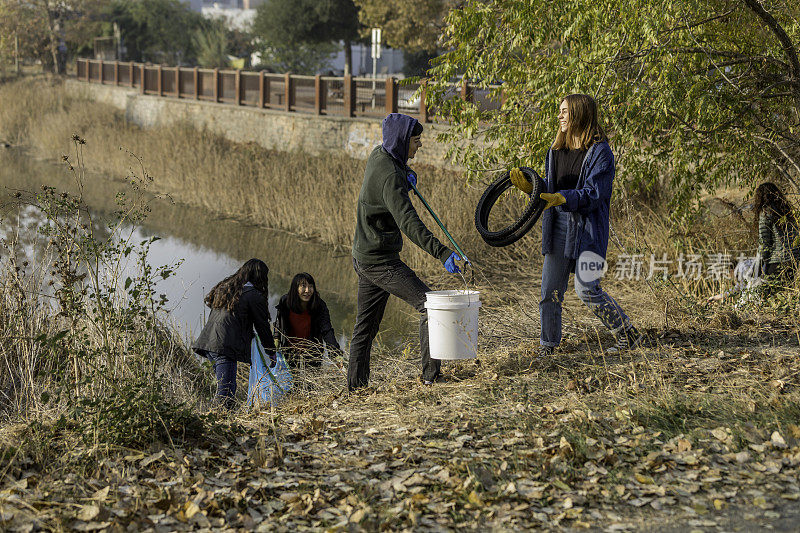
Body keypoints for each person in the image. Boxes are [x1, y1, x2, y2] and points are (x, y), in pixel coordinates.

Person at [510, 94, 642, 356]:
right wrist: (533, 190)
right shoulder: (555, 151)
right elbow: (551, 191)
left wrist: (563, 197)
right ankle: (548, 346)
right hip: (557, 225)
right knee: (550, 292)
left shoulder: (600, 152)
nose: (559, 116)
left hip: (588, 230)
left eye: (565, 111)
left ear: (580, 114)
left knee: (587, 289)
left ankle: (627, 334)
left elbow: (594, 194)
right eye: (559, 111)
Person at [348, 113, 464, 390]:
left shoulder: (380, 155)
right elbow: (409, 223)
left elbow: (390, 171)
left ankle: (354, 390)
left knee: (365, 330)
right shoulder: (390, 177)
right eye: (416, 140)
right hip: (380, 261)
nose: (420, 145)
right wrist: (442, 252)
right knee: (430, 306)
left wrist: (404, 172)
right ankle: (431, 378)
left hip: (365, 255)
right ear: (401, 142)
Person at [193, 259, 276, 409]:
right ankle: (219, 425)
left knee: (224, 389)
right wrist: (271, 351)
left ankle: (219, 422)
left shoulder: (226, 288)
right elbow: (262, 326)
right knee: (225, 394)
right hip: (224, 347)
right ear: (260, 276)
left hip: (209, 344)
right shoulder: (253, 295)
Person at [274, 272, 344, 367]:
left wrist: (336, 355)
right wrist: (276, 338)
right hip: (290, 350)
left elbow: (327, 330)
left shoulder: (319, 306)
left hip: (312, 351)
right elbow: (279, 322)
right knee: (292, 380)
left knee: (312, 379)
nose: (307, 290)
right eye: (303, 286)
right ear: (295, 288)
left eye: (310, 286)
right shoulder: (285, 302)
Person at [753, 182, 799, 292]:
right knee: (787, 291)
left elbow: (764, 242)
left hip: (777, 259)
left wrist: (758, 266)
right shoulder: (787, 210)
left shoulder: (765, 213)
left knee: (770, 293)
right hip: (795, 258)